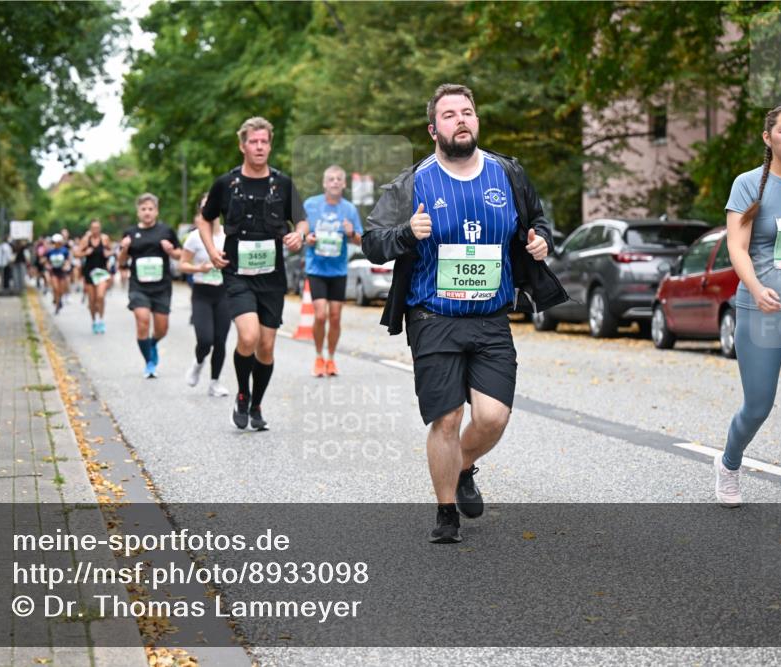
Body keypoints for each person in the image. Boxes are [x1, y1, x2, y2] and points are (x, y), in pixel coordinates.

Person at [363, 84, 567, 543]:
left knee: (493, 417)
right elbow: (372, 240)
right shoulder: (412, 183)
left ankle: (464, 466)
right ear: (433, 128)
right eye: (450, 114)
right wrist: (407, 233)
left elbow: (536, 219)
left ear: (476, 121)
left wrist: (539, 239)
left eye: (468, 112)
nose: (461, 120)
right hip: (432, 316)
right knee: (448, 418)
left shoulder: (507, 174)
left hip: (491, 316)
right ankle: (446, 512)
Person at [715, 104, 781, 526]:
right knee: (758, 405)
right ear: (768, 138)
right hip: (761, 309)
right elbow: (737, 247)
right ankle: (728, 463)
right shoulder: (748, 186)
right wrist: (756, 290)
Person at [200, 116, 306, 430]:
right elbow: (205, 219)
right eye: (253, 142)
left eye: (264, 142)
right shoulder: (226, 184)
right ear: (242, 145)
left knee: (267, 346)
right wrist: (210, 249)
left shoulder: (283, 183)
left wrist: (298, 234)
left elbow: (300, 220)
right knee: (248, 336)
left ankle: (256, 404)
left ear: (270, 145)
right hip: (237, 273)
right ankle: (242, 394)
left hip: (272, 277)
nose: (259, 147)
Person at [303, 165, 363, 377]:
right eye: (331, 179)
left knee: (335, 317)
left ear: (344, 184)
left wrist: (351, 232)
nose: (335, 182)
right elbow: (301, 232)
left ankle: (331, 359)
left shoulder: (349, 209)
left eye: (339, 179)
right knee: (320, 315)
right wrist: (307, 238)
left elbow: (360, 239)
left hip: (338, 270)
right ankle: (318, 356)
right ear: (324, 183)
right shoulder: (311, 205)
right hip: (317, 267)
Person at [119, 193, 182, 378]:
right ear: (138, 212)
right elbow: (121, 262)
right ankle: (149, 362)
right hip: (139, 285)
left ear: (156, 211)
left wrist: (171, 251)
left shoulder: (166, 231)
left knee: (162, 328)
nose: (147, 212)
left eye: (150, 209)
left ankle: (152, 343)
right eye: (143, 209)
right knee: (143, 320)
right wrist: (124, 248)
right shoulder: (130, 233)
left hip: (162, 286)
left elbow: (180, 255)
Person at [180, 194, 231, 397]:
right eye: (205, 206)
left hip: (224, 293)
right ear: (201, 211)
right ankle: (199, 363)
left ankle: (215, 382)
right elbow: (182, 264)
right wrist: (199, 268)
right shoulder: (194, 237)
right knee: (205, 339)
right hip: (202, 293)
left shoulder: (228, 235)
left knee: (220, 340)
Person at [76, 219, 113, 334]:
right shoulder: (86, 240)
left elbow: (111, 251)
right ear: (90, 229)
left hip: (102, 272)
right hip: (89, 272)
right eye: (93, 228)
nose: (95, 230)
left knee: (100, 297)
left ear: (100, 228)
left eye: (97, 228)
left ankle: (101, 320)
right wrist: (85, 253)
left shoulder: (105, 238)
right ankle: (94, 321)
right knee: (92, 300)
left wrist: (108, 254)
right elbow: (76, 254)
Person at [45, 233, 72, 314]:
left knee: (61, 289)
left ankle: (59, 300)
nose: (57, 243)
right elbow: (46, 261)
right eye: (55, 242)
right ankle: (57, 306)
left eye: (58, 242)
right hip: (54, 271)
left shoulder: (64, 250)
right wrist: (48, 266)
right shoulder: (50, 251)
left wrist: (66, 265)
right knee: (55, 288)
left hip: (62, 272)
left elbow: (68, 260)